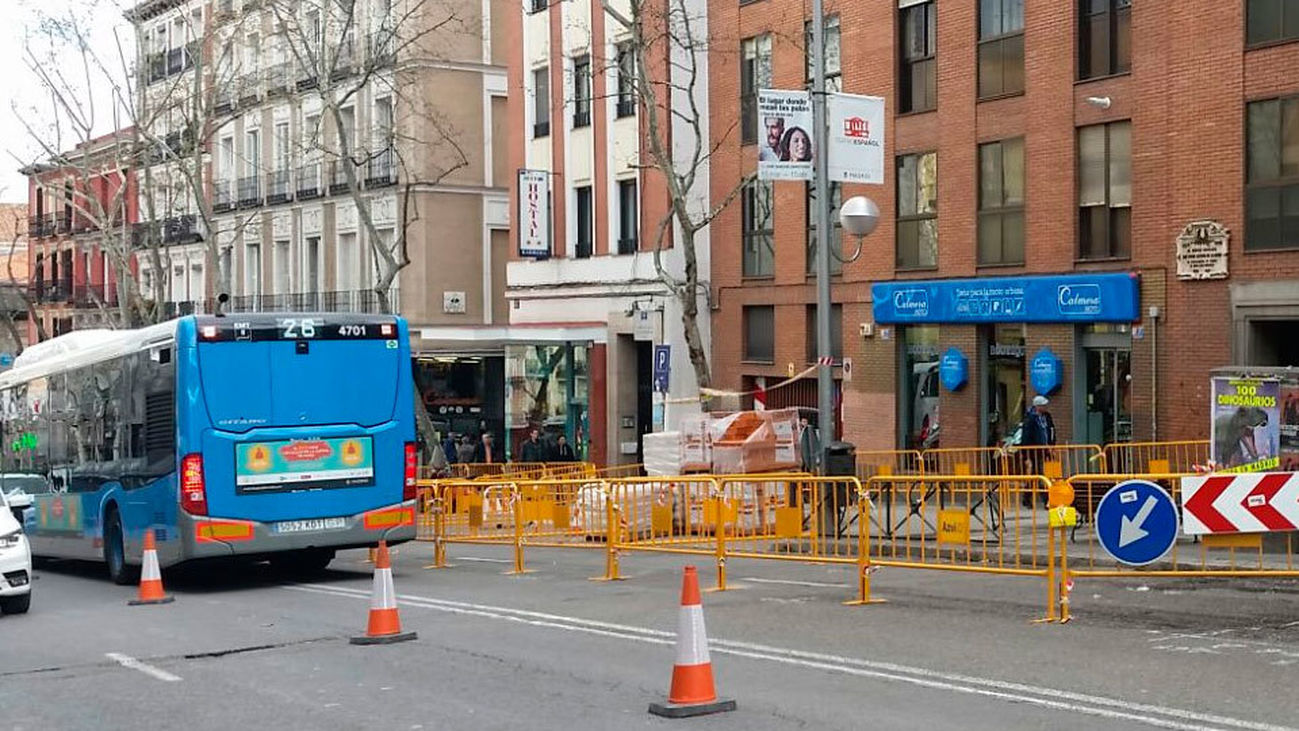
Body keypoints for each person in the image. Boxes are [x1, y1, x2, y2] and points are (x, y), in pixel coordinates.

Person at [1018, 395, 1056, 507]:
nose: (1045, 407)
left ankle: (1027, 497)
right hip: (1034, 451)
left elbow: (1051, 430)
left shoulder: (1047, 417)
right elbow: (1026, 437)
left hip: (1045, 450)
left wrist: (1052, 445)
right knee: (1040, 475)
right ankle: (1045, 499)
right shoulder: (1030, 419)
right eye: (1043, 405)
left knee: (1036, 475)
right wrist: (1026, 455)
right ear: (1037, 406)